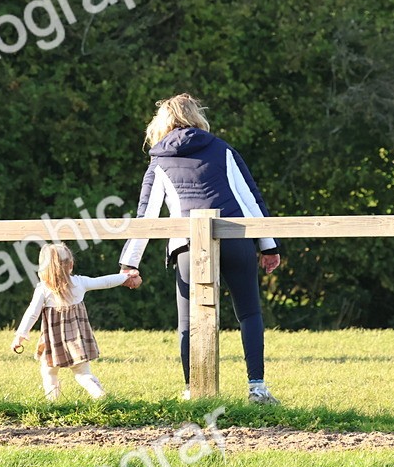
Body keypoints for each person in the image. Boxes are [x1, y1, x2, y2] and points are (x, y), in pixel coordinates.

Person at [119, 93, 282, 404]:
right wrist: (269, 246)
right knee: (249, 313)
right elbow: (249, 199)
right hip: (234, 238)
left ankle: (193, 392)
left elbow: (147, 215)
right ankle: (257, 389)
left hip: (187, 245)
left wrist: (130, 262)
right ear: (197, 116)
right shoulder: (223, 149)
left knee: (187, 323)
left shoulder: (159, 159)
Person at [10, 242, 139, 401]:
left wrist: (20, 335)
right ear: (70, 265)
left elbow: (32, 313)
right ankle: (99, 395)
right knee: (82, 373)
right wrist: (126, 276)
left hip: (54, 340)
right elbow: (104, 281)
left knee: (49, 371)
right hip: (76, 338)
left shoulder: (43, 289)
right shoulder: (79, 283)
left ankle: (52, 401)